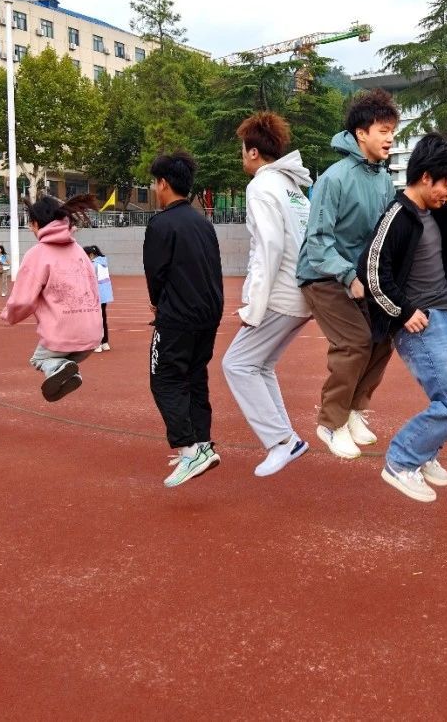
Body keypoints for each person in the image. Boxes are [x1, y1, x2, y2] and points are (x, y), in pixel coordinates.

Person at [359, 133, 447, 502]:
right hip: (421, 324)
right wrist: (403, 312)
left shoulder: (440, 214)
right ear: (426, 175)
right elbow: (372, 271)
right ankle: (401, 461)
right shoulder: (397, 216)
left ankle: (426, 452)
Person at [295, 88, 399, 459]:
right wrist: (348, 277)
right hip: (322, 275)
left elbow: (384, 235)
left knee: (384, 336)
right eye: (383, 131)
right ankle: (330, 421)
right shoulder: (334, 179)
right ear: (361, 133)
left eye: (392, 131)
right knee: (355, 342)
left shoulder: (383, 180)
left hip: (359, 276)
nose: (390, 138)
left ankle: (354, 409)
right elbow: (318, 241)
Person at [222, 113, 313, 477]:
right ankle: (286, 439)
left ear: (254, 152)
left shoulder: (261, 186)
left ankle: (281, 441)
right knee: (260, 365)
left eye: (242, 150)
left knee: (237, 364)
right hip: (303, 293)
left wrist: (253, 307)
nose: (241, 156)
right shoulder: (293, 188)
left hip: (281, 295)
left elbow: (268, 248)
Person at [143, 152, 224, 488]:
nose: (154, 189)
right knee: (194, 377)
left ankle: (189, 450)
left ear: (163, 183)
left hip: (178, 316)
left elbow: (155, 273)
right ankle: (202, 443)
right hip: (208, 314)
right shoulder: (204, 224)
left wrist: (157, 304)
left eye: (154, 183)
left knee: (164, 379)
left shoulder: (161, 224)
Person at [1, 194, 102, 402]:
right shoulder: (79, 251)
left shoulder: (38, 254)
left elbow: (22, 300)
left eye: (30, 224)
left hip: (62, 335)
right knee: (63, 359)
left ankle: (61, 368)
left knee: (39, 359)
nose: (30, 228)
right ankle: (65, 369)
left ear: (36, 223)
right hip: (92, 336)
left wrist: (10, 316)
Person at [84, 245, 114, 352]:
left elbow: (91, 281)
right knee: (102, 318)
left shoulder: (94, 264)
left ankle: (98, 344)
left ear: (91, 255)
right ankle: (105, 342)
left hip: (96, 295)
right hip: (104, 295)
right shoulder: (103, 263)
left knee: (96, 320)